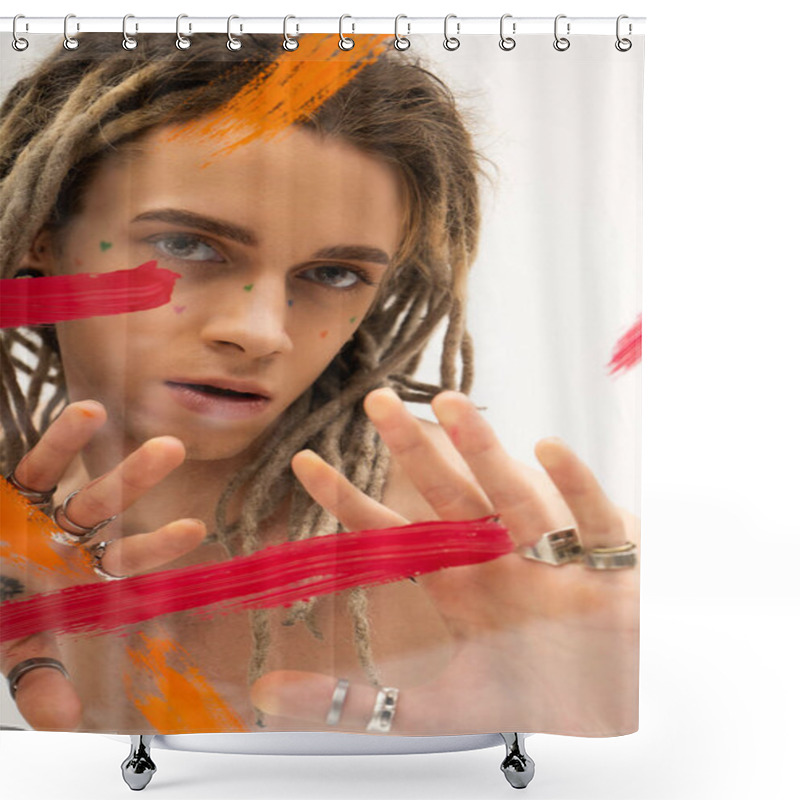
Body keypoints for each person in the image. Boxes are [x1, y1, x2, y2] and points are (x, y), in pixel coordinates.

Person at [0, 32, 639, 736]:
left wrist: (616, 738)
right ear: (41, 232)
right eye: (186, 244)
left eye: (334, 273)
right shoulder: (14, 536)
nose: (261, 330)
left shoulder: (504, 554)